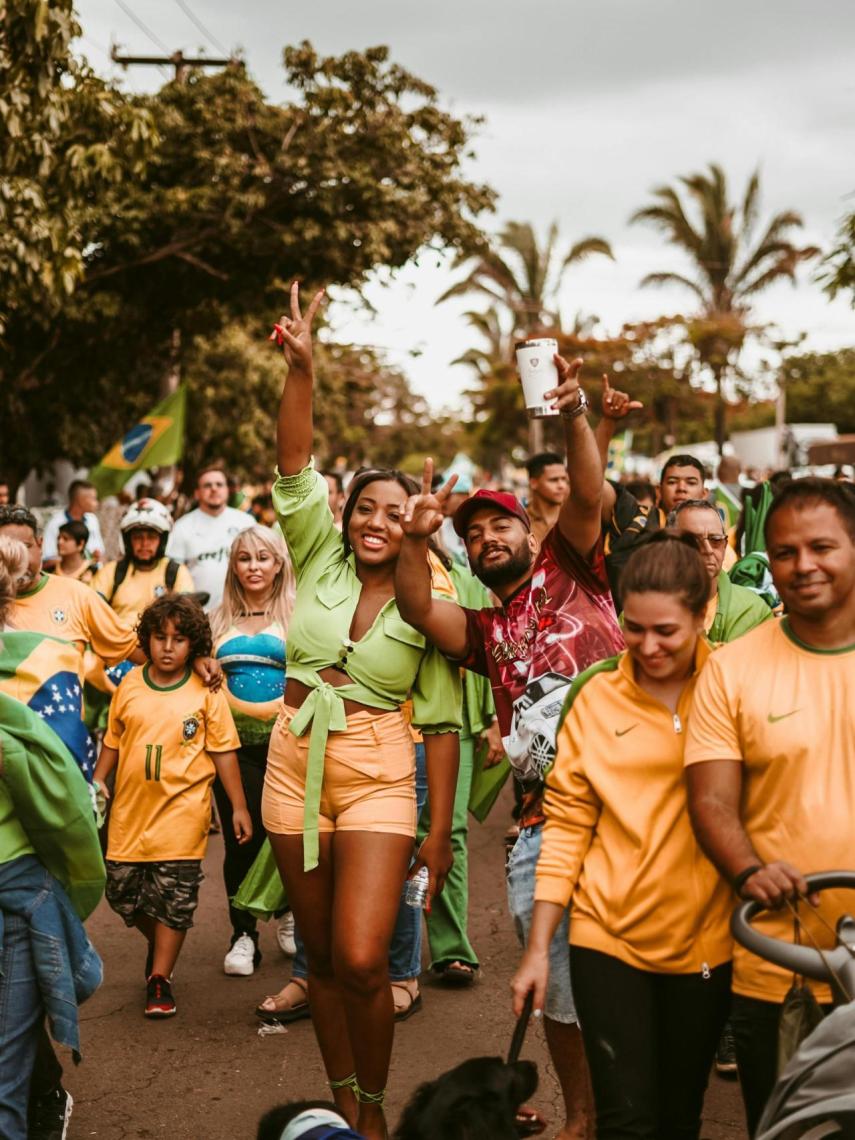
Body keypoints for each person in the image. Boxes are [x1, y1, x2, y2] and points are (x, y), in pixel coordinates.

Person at [395, 353, 626, 1140]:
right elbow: (419, 608)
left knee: (643, 971)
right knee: (554, 988)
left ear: (528, 529)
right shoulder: (483, 630)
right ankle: (584, 1117)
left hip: (630, 806)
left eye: (499, 523)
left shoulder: (573, 567)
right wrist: (416, 537)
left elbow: (589, 494)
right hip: (539, 825)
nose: (487, 536)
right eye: (474, 532)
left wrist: (573, 417)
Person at [263, 283, 461, 1140]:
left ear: (411, 524)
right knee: (318, 959)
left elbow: (446, 719)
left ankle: (374, 1113)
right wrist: (303, 369)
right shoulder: (315, 554)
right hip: (288, 760)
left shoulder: (431, 592)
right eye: (364, 509)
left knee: (358, 955)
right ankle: (342, 1102)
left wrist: (440, 827)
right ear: (342, 521)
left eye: (393, 511)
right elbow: (292, 461)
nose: (376, 520)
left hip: (380, 765)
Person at [511, 533, 732, 1140]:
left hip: (707, 942)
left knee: (678, 1117)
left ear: (702, 614)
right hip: (607, 939)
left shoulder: (733, 687)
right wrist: (537, 950)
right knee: (626, 1122)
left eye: (667, 631)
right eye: (634, 629)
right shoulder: (596, 696)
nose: (648, 646)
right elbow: (567, 827)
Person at [685, 477, 855, 1137]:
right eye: (784, 552)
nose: (802, 565)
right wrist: (748, 870)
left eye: (821, 547)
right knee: (786, 1128)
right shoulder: (732, 668)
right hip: (779, 963)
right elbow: (711, 800)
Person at [93, 595, 251, 1018]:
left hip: (184, 811)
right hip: (130, 811)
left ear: (193, 645)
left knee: (176, 898)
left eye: (179, 640)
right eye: (159, 638)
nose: (167, 647)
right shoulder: (130, 683)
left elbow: (223, 752)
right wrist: (97, 780)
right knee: (122, 892)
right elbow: (113, 736)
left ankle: (159, 978)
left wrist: (238, 805)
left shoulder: (206, 688)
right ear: (146, 640)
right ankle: (161, 940)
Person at [210, 526, 294, 977]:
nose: (254, 566)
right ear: (233, 566)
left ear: (279, 563)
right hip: (232, 747)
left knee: (289, 836)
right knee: (243, 837)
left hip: (288, 743)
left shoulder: (297, 616)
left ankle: (287, 911)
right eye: (245, 558)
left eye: (263, 557)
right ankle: (242, 934)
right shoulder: (216, 620)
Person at [668, 499, 773, 643]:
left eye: (715, 540)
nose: (708, 550)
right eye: (693, 541)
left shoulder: (753, 610)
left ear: (725, 546)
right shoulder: (645, 608)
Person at [93, 498, 195, 623]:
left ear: (163, 541)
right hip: (116, 641)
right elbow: (91, 608)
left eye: (151, 537)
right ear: (127, 541)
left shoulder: (176, 572)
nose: (144, 544)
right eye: (137, 537)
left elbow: (186, 615)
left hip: (160, 642)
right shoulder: (111, 571)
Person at [167, 465, 254, 610]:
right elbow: (172, 576)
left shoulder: (246, 522)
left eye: (219, 484)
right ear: (197, 493)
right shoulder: (182, 527)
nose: (214, 489)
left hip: (243, 613)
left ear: (227, 490)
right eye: (207, 485)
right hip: (199, 616)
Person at [41, 479, 104, 569]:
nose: (97, 503)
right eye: (93, 499)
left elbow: (100, 552)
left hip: (91, 574)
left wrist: (97, 555)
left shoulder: (92, 520)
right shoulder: (55, 523)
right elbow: (47, 560)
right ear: (81, 500)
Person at [525, 452, 570, 546]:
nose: (562, 486)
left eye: (564, 479)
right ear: (533, 483)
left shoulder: (573, 518)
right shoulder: (522, 521)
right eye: (554, 480)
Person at [658, 454, 706, 519]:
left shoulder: (715, 527)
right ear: (659, 491)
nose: (681, 488)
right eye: (672, 482)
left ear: (704, 494)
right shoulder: (643, 525)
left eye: (691, 483)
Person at [53, 520, 98, 584]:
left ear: (80, 544)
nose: (59, 542)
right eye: (58, 538)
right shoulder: (51, 569)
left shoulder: (93, 570)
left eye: (65, 539)